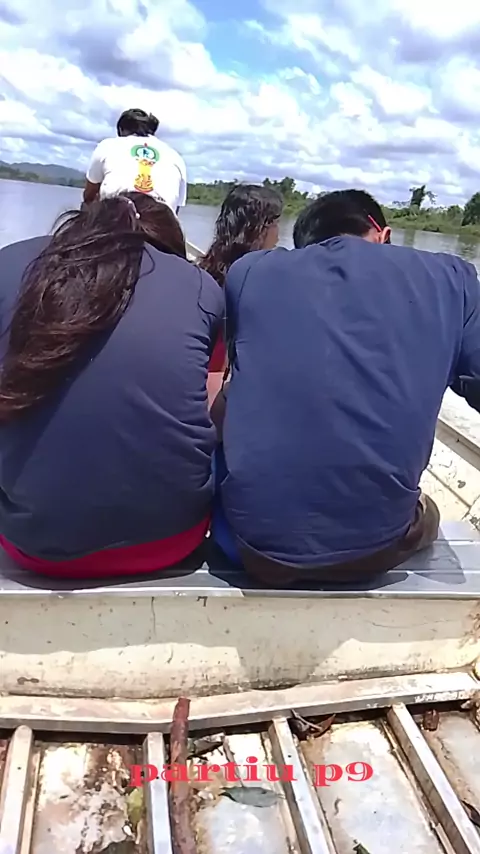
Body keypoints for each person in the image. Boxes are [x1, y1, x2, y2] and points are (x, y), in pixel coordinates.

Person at [211, 188, 480, 586]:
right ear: (383, 235)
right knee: (429, 511)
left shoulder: (250, 272)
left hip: (255, 548)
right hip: (375, 547)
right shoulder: (453, 277)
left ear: (304, 246)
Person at [0, 192, 223, 578]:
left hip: (32, 542)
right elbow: (209, 400)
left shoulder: (11, 260)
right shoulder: (201, 287)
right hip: (171, 539)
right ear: (169, 249)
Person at [199, 184, 283, 375]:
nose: (278, 234)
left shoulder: (208, 268)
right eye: (276, 223)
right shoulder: (257, 279)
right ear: (259, 228)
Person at [83, 109, 187, 215]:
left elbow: (89, 195)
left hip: (116, 213)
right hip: (161, 217)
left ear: (121, 130)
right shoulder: (175, 156)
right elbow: (175, 211)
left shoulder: (108, 145)